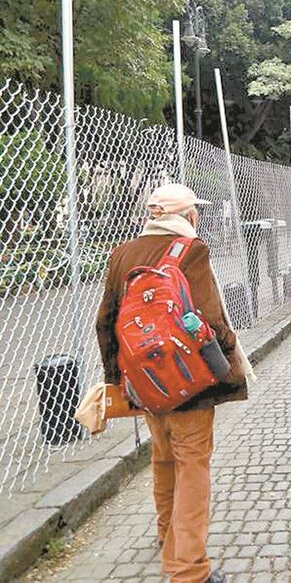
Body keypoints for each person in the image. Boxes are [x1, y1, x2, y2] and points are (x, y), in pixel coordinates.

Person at [96, 183, 253, 583]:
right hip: (189, 382)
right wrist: (230, 365)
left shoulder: (121, 254)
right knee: (192, 466)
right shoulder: (192, 250)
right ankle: (188, 570)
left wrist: (117, 381)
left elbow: (106, 322)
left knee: (163, 456)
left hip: (144, 380)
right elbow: (211, 320)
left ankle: (166, 534)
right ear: (188, 215)